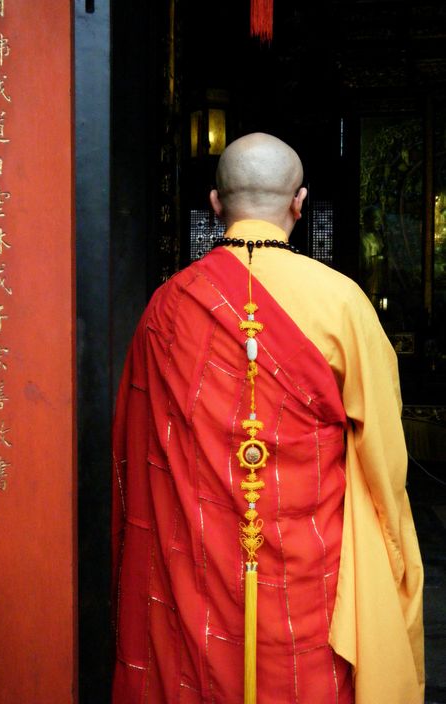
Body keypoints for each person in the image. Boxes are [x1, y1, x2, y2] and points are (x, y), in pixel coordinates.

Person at [112, 133, 424, 703]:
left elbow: (142, 460)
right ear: (298, 204)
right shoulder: (342, 302)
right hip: (313, 572)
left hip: (197, 573)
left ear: (215, 204)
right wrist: (394, 562)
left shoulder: (168, 306)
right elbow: (383, 459)